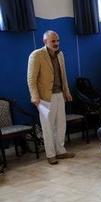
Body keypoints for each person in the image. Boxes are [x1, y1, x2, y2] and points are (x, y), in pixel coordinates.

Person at [27, 30, 75, 165]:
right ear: (45, 41)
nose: (56, 43)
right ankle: (50, 154)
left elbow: (63, 75)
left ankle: (61, 151)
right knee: (48, 126)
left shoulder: (60, 55)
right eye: (53, 41)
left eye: (57, 40)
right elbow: (31, 79)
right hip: (44, 97)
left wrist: (67, 92)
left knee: (61, 124)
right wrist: (34, 97)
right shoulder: (36, 55)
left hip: (59, 94)